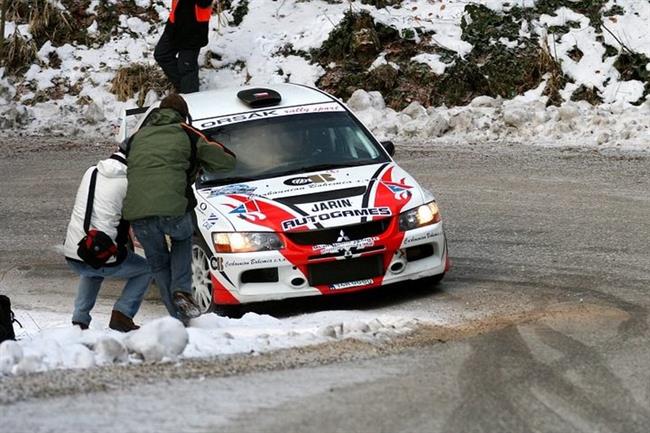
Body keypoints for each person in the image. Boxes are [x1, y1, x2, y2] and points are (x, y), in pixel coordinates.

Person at [123, 94, 235, 323]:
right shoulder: (186, 132)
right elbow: (226, 160)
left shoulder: (137, 137)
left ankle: (178, 318)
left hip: (138, 212)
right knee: (183, 239)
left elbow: (122, 157)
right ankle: (181, 289)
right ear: (184, 115)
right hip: (173, 208)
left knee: (158, 263)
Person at [64, 150, 152, 332]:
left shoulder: (91, 172)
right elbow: (137, 216)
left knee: (93, 269)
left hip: (74, 251)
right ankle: (123, 314)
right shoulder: (128, 182)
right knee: (146, 269)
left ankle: (79, 320)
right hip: (99, 255)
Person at [154, 0, 214, 93]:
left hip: (194, 30)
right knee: (162, 54)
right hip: (174, 25)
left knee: (186, 69)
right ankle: (183, 87)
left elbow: (203, 3)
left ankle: (190, 97)